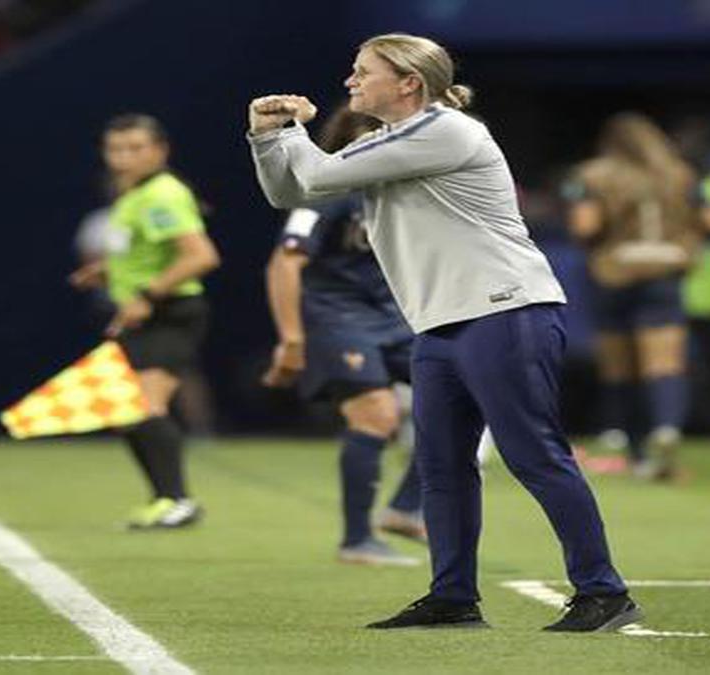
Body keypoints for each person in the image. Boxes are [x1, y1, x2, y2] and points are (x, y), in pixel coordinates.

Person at [247, 33, 638, 632]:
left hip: (505, 309)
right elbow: (289, 191)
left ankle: (603, 591)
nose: (349, 81)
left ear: (409, 83)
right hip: (440, 321)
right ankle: (453, 597)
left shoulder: (446, 130)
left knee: (533, 453)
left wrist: (295, 130)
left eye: (363, 71)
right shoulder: (386, 141)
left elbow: (317, 176)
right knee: (441, 466)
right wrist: (267, 135)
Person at [262, 105, 426, 566]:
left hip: (396, 315)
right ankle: (356, 539)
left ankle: (406, 507)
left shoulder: (407, 195)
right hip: (338, 318)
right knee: (377, 414)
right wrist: (292, 340)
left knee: (462, 396)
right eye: (364, 138)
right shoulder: (323, 192)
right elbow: (284, 263)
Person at [70, 113, 220, 529]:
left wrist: (148, 294)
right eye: (116, 149)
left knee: (144, 407)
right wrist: (108, 272)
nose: (124, 158)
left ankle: (177, 501)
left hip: (169, 314)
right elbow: (149, 253)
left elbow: (201, 256)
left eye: (135, 148)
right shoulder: (132, 195)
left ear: (160, 151)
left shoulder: (161, 195)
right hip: (142, 314)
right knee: (126, 412)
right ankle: (164, 499)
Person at [564, 112, 710, 480]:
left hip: (614, 271)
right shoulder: (680, 174)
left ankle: (636, 452)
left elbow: (586, 224)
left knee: (621, 366)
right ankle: (666, 428)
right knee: (663, 363)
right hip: (665, 269)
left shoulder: (592, 175)